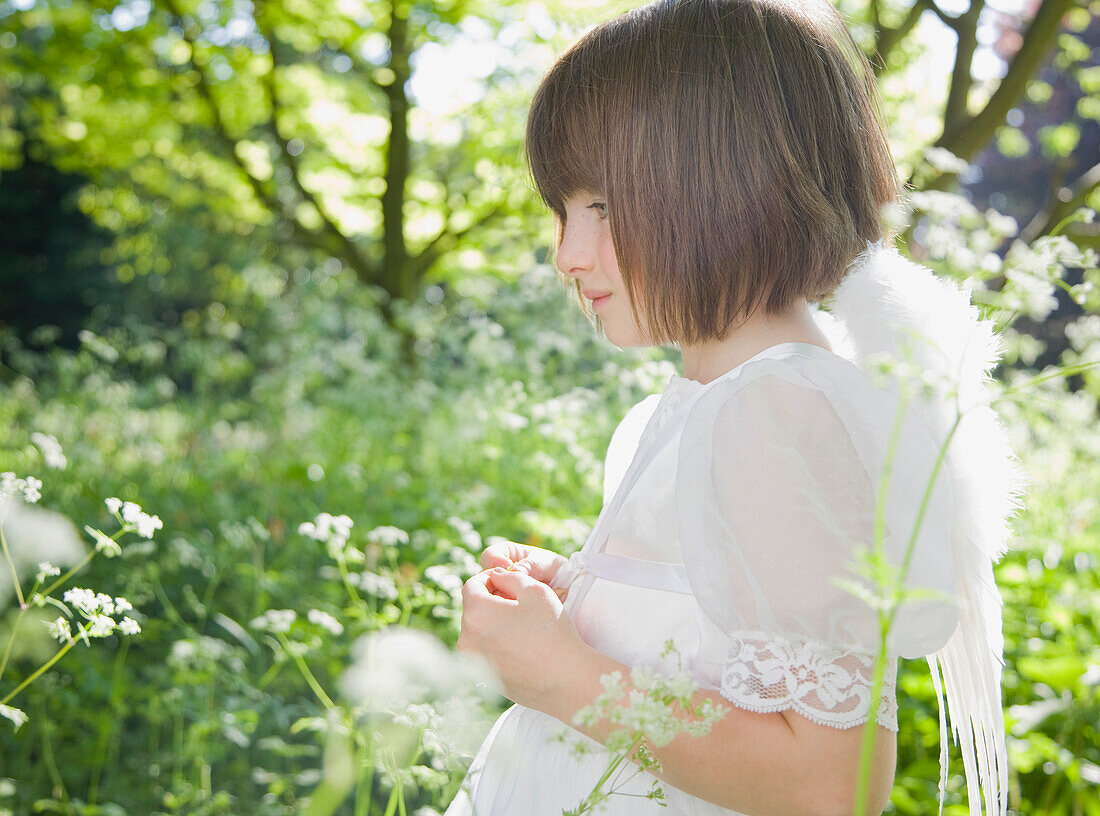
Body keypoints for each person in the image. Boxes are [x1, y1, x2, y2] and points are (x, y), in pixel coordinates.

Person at [446, 2, 1025, 815]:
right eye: (563, 210)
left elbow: (832, 784)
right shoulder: (720, 400)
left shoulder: (775, 411)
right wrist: (585, 600)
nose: (568, 255)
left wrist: (560, 673)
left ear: (726, 186)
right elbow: (722, 635)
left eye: (603, 207)